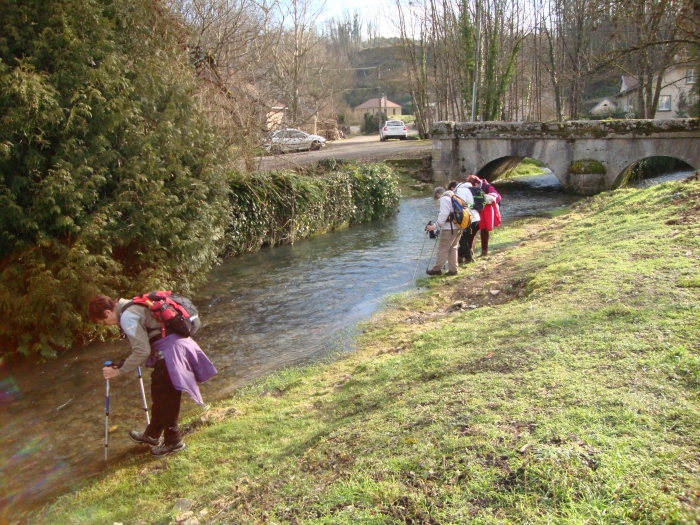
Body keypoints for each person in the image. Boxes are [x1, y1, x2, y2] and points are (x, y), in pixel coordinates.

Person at [88, 294, 217, 457]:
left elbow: (142, 351)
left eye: (104, 323)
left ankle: (173, 441)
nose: (108, 325)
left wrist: (119, 370)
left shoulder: (127, 316)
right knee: (160, 394)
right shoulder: (132, 304)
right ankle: (152, 434)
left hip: (171, 354)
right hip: (179, 347)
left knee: (166, 397)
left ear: (107, 313)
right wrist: (124, 362)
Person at [425, 186, 462, 276]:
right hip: (458, 226)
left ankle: (437, 269)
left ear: (438, 194)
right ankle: (453, 270)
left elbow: (443, 215)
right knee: (453, 248)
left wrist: (434, 226)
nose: (438, 199)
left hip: (449, 229)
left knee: (442, 249)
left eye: (437, 198)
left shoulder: (444, 199)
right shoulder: (454, 196)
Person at [467, 175, 501, 257]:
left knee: (484, 231)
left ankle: (484, 251)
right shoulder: (471, 188)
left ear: (476, 183)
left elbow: (498, 197)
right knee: (472, 231)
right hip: (475, 212)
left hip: (485, 213)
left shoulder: (487, 186)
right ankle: (469, 251)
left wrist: (485, 198)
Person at [448, 179, 480, 264]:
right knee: (465, 238)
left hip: (468, 219)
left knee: (462, 240)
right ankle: (460, 257)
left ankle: (469, 258)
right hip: (476, 217)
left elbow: (459, 206)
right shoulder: (469, 189)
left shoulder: (460, 191)